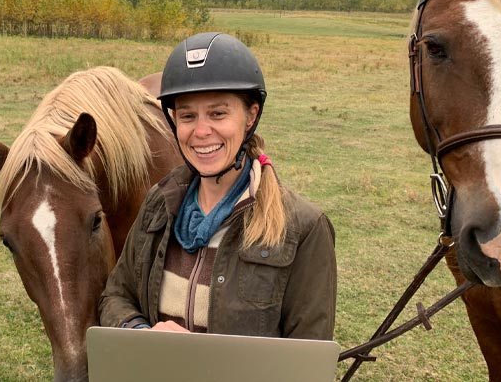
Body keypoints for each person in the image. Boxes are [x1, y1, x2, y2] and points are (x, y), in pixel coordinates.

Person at [98, 32, 336, 339]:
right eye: (187, 115)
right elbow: (116, 296)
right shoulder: (159, 202)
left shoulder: (303, 229)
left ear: (251, 116)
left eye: (218, 113)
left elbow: (307, 359)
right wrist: (141, 332)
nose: (200, 131)